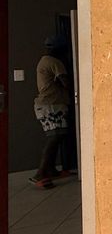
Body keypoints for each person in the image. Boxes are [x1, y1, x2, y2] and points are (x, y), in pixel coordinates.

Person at [30, 35, 70, 189]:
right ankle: (39, 174)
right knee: (54, 137)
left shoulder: (44, 61)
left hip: (50, 104)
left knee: (58, 135)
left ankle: (51, 170)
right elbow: (65, 82)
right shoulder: (54, 62)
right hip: (51, 105)